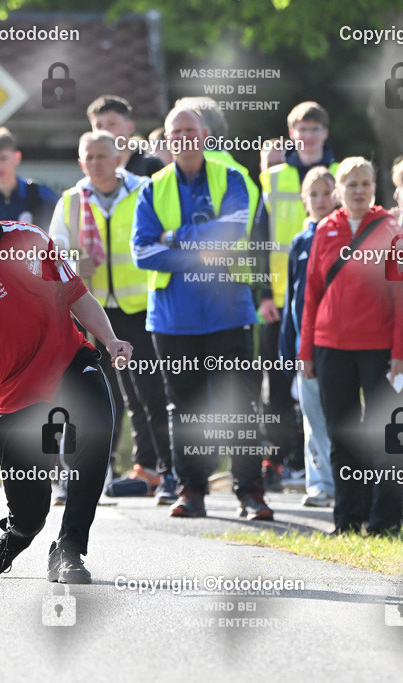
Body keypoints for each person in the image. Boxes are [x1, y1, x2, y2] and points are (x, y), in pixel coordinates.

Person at [0, 155, 131, 583]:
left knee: (95, 435)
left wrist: (109, 339)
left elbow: (76, 295)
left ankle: (70, 550)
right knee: (31, 513)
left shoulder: (30, 239)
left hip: (69, 361)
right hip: (16, 394)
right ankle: (16, 535)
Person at [131, 107, 272, 520]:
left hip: (228, 312)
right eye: (176, 131)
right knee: (185, 410)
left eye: (190, 130)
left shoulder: (231, 178)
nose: (183, 137)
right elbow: (142, 251)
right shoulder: (151, 188)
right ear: (168, 138)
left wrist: (175, 240)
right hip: (174, 320)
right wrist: (200, 252)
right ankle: (191, 491)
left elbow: (232, 235)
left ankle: (251, 494)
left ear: (205, 135)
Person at [49, 132, 174, 503]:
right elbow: (53, 255)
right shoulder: (71, 201)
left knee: (152, 396)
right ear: (80, 161)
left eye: (103, 156)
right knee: (90, 398)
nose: (96, 163)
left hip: (141, 311)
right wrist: (75, 263)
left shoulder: (146, 190)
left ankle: (167, 476)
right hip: (90, 313)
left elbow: (164, 237)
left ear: (119, 157)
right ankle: (83, 479)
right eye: (89, 157)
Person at [299, 158, 403, 535]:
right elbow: (311, 296)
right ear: (339, 191)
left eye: (366, 183)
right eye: (352, 185)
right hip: (331, 347)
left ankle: (385, 522)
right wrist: (305, 352)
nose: (360, 191)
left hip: (379, 348)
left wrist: (401, 352)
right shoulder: (324, 230)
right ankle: (346, 520)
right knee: (342, 434)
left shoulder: (391, 229)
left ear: (374, 187)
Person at [0, 126, 61, 487]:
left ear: (16, 157)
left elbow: (58, 239)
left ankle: (44, 457)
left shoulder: (40, 195)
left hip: (36, 305)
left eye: (3, 158)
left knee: (42, 381)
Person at [256, 102, 339, 490]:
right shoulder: (274, 177)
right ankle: (278, 459)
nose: (307, 135)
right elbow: (257, 238)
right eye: (300, 129)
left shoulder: (344, 175)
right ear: (292, 135)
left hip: (334, 306)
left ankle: (327, 464)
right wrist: (262, 295)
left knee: (330, 384)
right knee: (277, 385)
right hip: (282, 303)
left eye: (314, 128)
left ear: (325, 133)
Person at [280, 166, 337, 507]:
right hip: (305, 347)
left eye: (325, 193)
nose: (319, 200)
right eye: (312, 194)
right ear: (304, 200)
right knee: (312, 419)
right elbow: (292, 300)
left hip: (338, 344)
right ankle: (320, 484)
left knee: (339, 417)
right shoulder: (300, 242)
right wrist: (288, 346)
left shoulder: (345, 236)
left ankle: (345, 481)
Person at [86, 95, 165, 177]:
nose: (104, 131)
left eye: (111, 124)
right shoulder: (95, 169)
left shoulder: (151, 166)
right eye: (98, 126)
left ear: (130, 127)